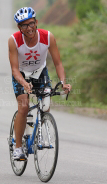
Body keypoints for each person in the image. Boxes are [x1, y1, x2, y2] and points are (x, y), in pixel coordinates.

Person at [8, 7, 72, 160]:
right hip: (21, 74)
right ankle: (18, 147)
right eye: (24, 25)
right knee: (23, 106)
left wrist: (63, 82)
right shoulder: (14, 40)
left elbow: (58, 63)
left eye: (31, 24)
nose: (28, 28)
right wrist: (23, 83)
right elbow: (15, 69)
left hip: (40, 72)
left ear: (36, 22)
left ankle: (39, 132)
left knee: (45, 105)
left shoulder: (47, 37)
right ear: (19, 27)